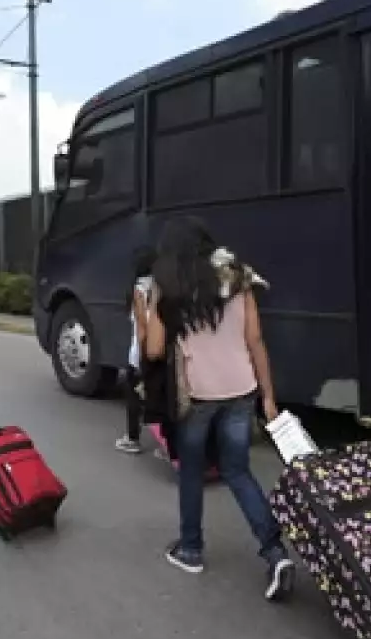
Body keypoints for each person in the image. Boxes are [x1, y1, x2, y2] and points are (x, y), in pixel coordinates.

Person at [144, 217, 294, 602]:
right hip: (242, 391)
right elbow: (255, 340)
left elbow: (155, 350)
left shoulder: (170, 287)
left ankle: (191, 549)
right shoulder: (238, 279)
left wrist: (150, 310)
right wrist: (269, 397)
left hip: (198, 397)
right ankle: (275, 552)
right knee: (237, 471)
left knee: (192, 472)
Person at [114, 246, 158, 455]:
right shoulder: (162, 286)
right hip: (161, 351)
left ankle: (132, 438)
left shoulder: (139, 289)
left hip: (141, 353)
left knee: (133, 397)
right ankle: (169, 445)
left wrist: (141, 360)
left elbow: (142, 328)